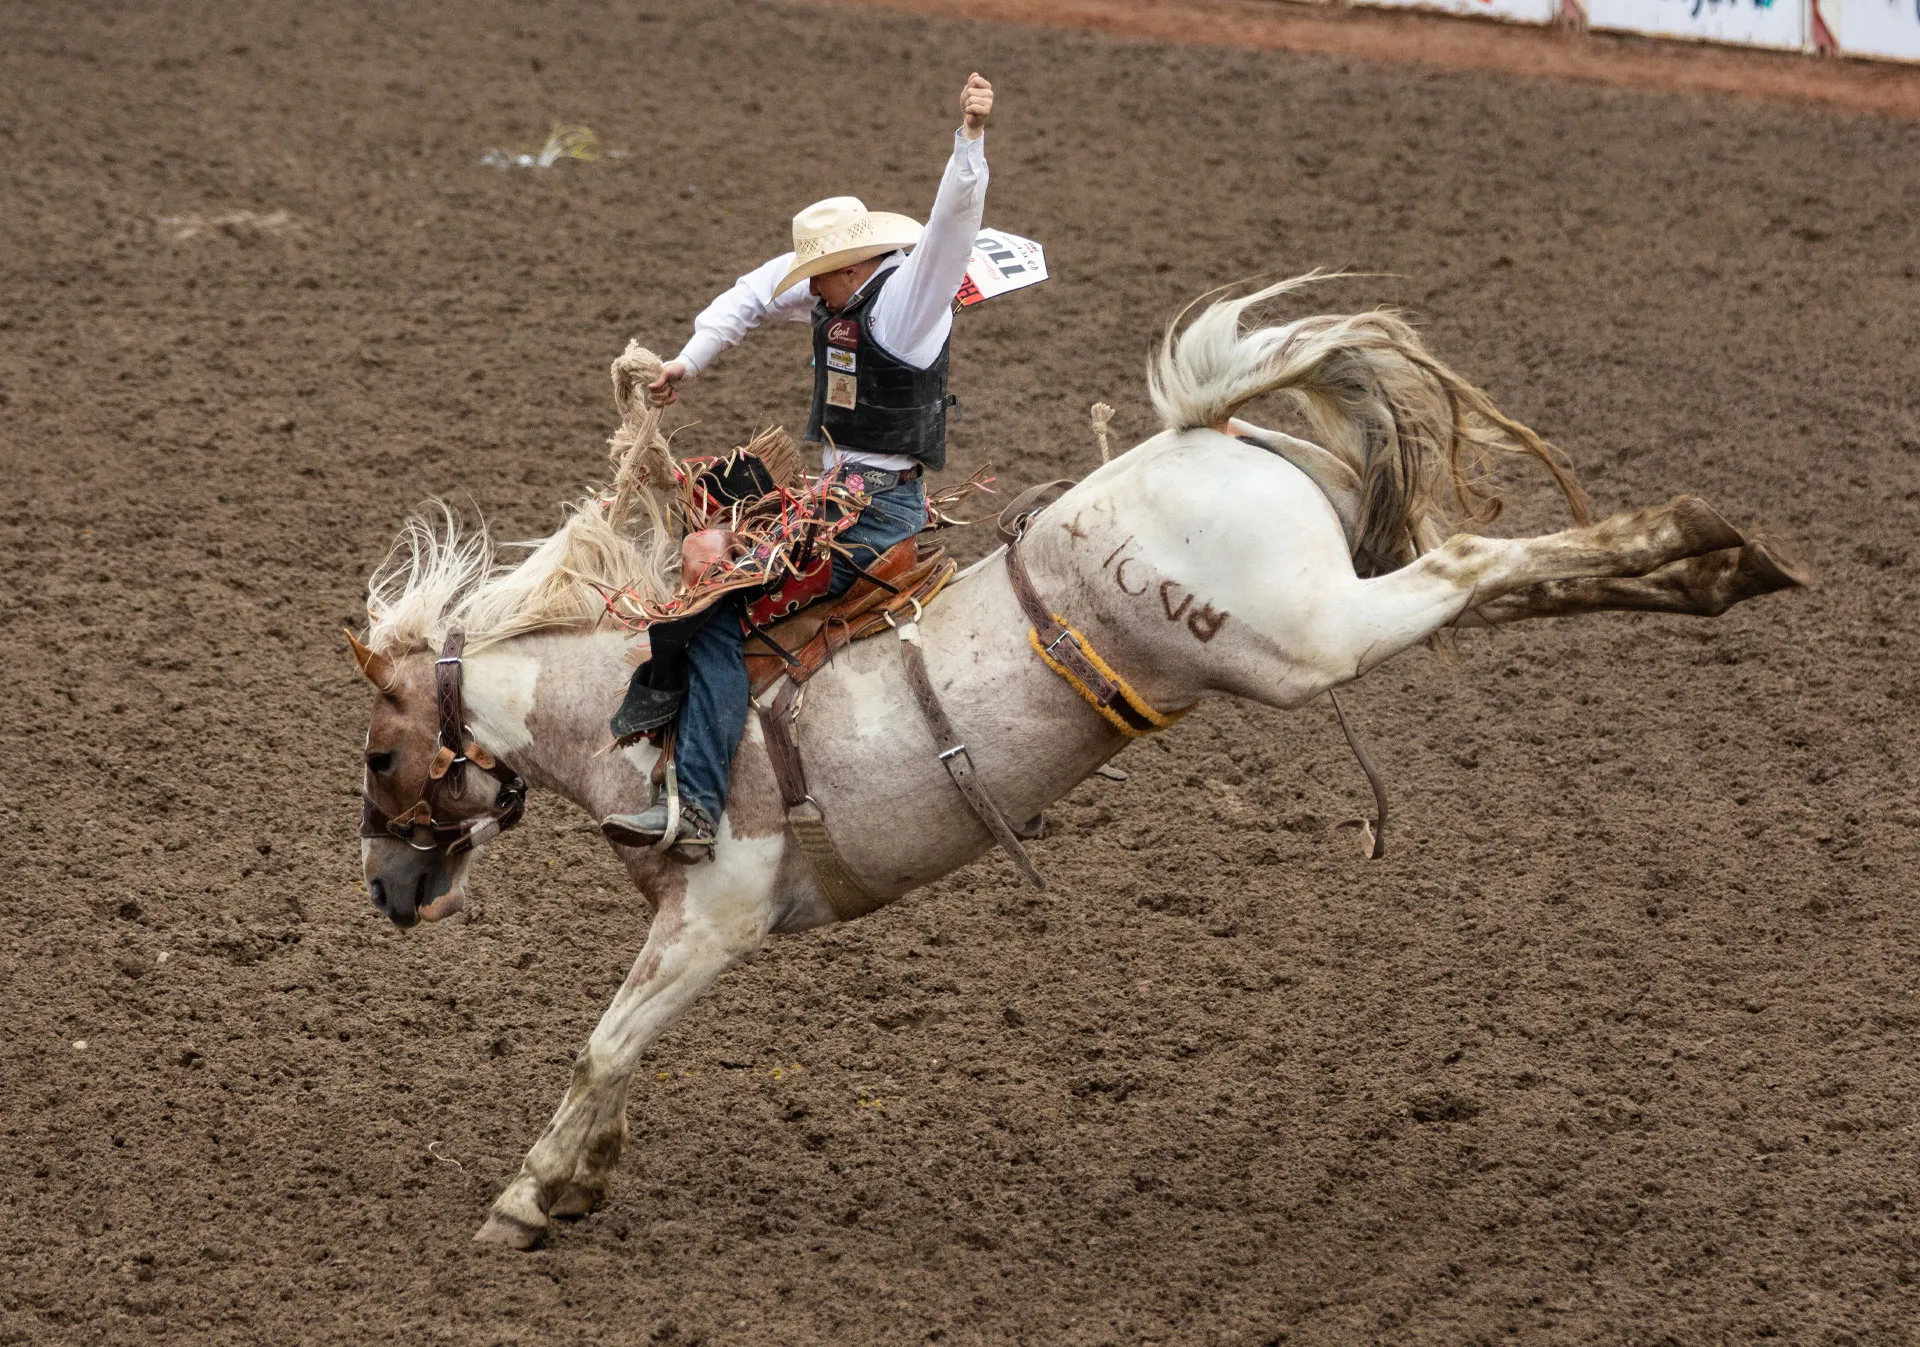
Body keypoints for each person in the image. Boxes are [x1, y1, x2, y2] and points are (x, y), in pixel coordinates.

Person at [602, 73, 996, 859]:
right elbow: (750, 296)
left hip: (871, 511)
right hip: (841, 496)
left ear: (851, 266)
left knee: (711, 613)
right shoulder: (837, 298)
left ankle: (700, 808)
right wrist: (687, 360)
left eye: (817, 272)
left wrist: (970, 144)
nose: (806, 286)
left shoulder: (908, 304)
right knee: (710, 521)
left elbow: (952, 228)